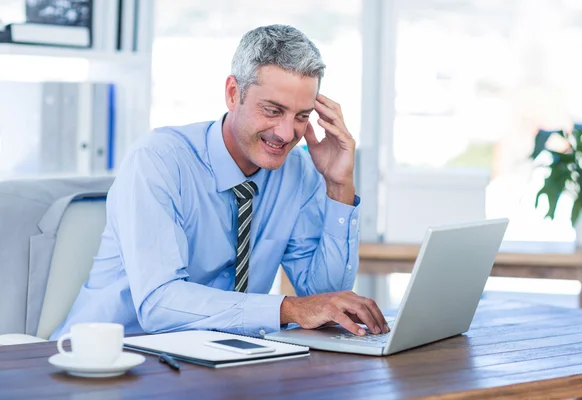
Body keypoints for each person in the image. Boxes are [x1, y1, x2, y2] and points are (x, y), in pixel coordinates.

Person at [51, 24, 389, 340]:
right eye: (273, 110)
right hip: (110, 358)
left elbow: (323, 301)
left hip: (213, 363)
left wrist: (338, 186)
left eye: (301, 116)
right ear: (232, 93)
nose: (287, 134)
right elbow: (158, 302)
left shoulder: (298, 171)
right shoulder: (159, 160)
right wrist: (287, 309)